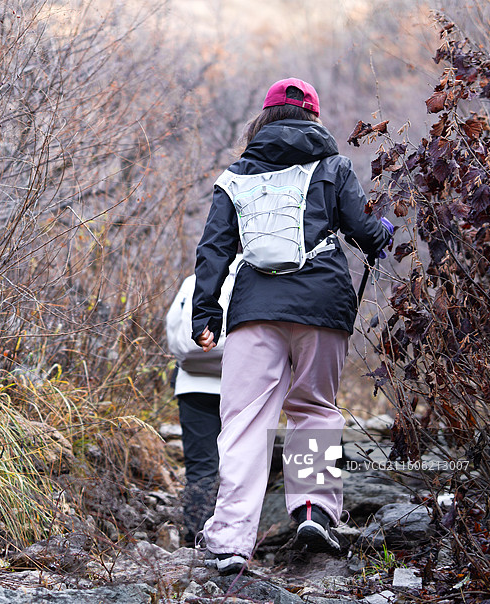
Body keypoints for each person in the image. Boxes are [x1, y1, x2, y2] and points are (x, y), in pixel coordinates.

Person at [191, 78, 393, 575]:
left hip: (253, 310)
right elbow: (366, 233)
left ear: (264, 118)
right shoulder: (334, 167)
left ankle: (231, 541)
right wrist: (384, 231)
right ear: (314, 118)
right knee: (313, 409)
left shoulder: (236, 175)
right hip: (323, 305)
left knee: (242, 423)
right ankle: (312, 510)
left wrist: (205, 313)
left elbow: (214, 249)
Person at [165, 257, 241, 547]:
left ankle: (197, 537)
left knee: (201, 466)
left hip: (193, 385)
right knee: (238, 462)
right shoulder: (257, 279)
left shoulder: (195, 280)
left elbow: (174, 327)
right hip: (241, 385)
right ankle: (232, 539)